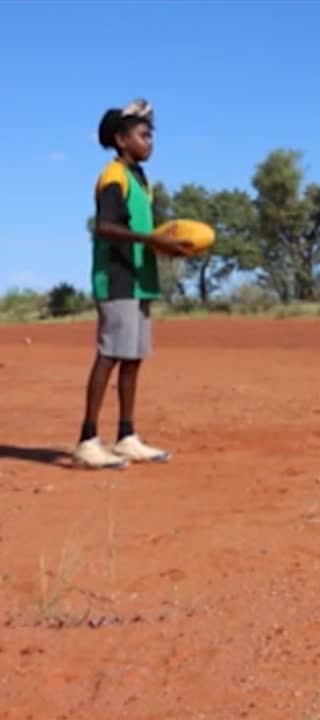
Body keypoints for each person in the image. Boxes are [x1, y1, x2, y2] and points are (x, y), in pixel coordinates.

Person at [73, 99, 194, 469]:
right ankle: (88, 439)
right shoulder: (114, 175)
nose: (150, 142)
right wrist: (152, 241)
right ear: (122, 140)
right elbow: (104, 227)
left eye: (151, 135)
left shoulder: (140, 179)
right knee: (109, 355)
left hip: (140, 279)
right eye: (143, 135)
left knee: (133, 358)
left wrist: (164, 246)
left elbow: (139, 229)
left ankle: (126, 436)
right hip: (117, 278)